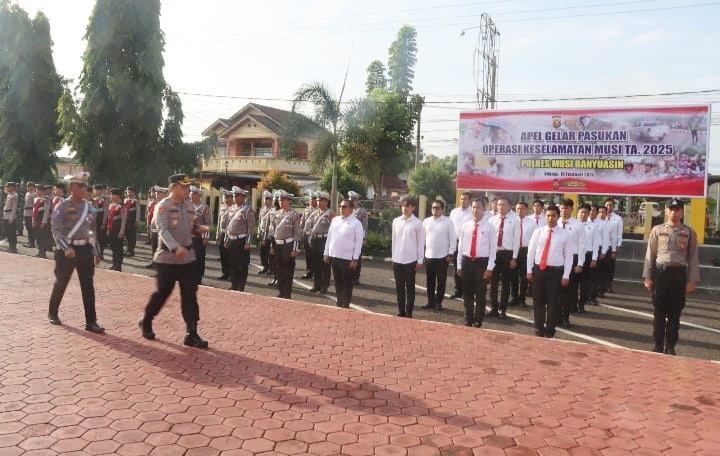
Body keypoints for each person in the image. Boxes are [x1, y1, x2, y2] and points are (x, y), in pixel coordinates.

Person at [139, 174, 211, 348]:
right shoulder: (163, 206)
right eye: (183, 187)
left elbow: (191, 226)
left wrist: (200, 229)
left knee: (190, 296)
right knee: (162, 294)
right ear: (173, 187)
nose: (187, 190)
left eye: (188, 187)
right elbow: (162, 230)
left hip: (187, 259)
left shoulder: (189, 206)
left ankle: (191, 333)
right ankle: (147, 320)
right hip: (167, 259)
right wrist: (174, 247)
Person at [47, 172, 104, 332]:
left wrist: (96, 251)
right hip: (67, 252)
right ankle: (53, 312)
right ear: (71, 187)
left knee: (88, 286)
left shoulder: (89, 207)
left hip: (85, 250)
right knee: (61, 282)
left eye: (85, 186)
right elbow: (56, 229)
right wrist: (66, 248)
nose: (84, 189)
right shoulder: (62, 206)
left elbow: (92, 230)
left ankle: (91, 322)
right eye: (80, 186)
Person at [643, 198, 700, 355]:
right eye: (671, 209)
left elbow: (693, 258)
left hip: (678, 276)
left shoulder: (689, 232)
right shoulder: (657, 230)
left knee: (675, 313)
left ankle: (671, 346)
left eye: (677, 210)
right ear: (666, 211)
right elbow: (650, 254)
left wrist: (691, 280)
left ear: (682, 212)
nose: (674, 212)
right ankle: (658, 344)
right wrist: (647, 277)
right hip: (660, 274)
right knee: (659, 312)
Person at [526, 205, 573, 338]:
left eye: (553, 215)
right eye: (548, 215)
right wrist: (529, 270)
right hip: (539, 270)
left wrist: (566, 275)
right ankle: (539, 328)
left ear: (558, 217)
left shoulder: (565, 234)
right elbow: (530, 253)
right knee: (538, 301)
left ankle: (550, 329)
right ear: (544, 216)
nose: (550, 218)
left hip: (556, 272)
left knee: (554, 302)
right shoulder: (538, 232)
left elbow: (569, 257)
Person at [456, 198, 496, 327]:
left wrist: (490, 267)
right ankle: (468, 317)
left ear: (484, 209)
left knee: (480, 292)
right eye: (473, 207)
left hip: (482, 263)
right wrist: (459, 264)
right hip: (467, 262)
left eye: (478, 207)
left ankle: (478, 319)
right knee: (467, 292)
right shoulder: (466, 225)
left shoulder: (489, 227)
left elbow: (493, 249)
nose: (475, 210)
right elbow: (461, 247)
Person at [324, 199, 363, 308]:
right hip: (334, 255)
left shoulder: (356, 223)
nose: (342, 208)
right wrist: (326, 253)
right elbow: (329, 237)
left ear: (351, 209)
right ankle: (339, 300)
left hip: (347, 258)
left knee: (347, 281)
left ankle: (346, 303)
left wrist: (355, 259)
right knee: (337, 280)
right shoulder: (335, 220)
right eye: (340, 206)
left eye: (344, 206)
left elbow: (358, 243)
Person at [391, 196, 425, 318]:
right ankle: (401, 311)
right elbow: (394, 241)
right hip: (397, 259)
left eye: (407, 206)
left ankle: (409, 312)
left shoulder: (417, 223)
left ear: (413, 208)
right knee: (399, 287)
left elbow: (421, 243)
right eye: (403, 206)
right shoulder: (396, 221)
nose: (405, 208)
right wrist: (393, 257)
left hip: (411, 260)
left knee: (410, 287)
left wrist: (420, 260)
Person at [488, 197, 520, 319]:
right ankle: (493, 308)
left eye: (503, 205)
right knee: (493, 283)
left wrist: (514, 258)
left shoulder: (514, 221)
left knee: (506, 283)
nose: (500, 207)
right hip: (494, 253)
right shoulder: (491, 220)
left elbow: (516, 241)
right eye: (499, 205)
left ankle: (503, 310)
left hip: (508, 254)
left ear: (509, 206)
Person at [422, 199, 456, 310]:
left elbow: (452, 239)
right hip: (429, 256)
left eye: (437, 208)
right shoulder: (426, 221)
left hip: (442, 257)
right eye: (433, 208)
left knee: (441, 282)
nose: (435, 210)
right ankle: (430, 302)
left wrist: (450, 253)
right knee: (430, 281)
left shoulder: (448, 222)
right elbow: (422, 239)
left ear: (442, 209)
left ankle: (438, 302)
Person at [557, 198, 585, 326]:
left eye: (566, 208)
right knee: (555, 289)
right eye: (561, 208)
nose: (563, 211)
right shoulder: (554, 222)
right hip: (556, 259)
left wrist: (580, 263)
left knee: (568, 290)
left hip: (571, 259)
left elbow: (581, 245)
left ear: (572, 209)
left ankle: (565, 316)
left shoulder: (578, 225)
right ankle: (555, 315)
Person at [271, 189, 301, 299]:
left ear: (289, 201)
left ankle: (287, 293)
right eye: (279, 200)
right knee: (278, 270)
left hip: (288, 245)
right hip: (278, 245)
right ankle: (281, 291)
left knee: (288, 271)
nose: (281, 202)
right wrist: (272, 246)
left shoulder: (294, 214)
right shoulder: (276, 213)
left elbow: (297, 233)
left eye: (283, 200)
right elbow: (273, 231)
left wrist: (295, 249)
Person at [225, 186, 255, 292]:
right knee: (232, 263)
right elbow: (228, 225)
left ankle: (241, 286)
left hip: (242, 240)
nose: (234, 198)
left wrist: (248, 242)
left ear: (242, 197)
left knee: (242, 265)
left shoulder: (247, 209)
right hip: (232, 240)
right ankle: (234, 284)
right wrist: (226, 239)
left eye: (236, 196)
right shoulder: (232, 208)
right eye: (234, 196)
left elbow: (251, 227)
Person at [511, 201, 536, 307]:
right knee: (513, 276)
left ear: (526, 210)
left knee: (524, 276)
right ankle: (514, 297)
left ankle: (522, 298)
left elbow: (534, 240)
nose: (519, 211)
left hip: (526, 250)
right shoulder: (511, 221)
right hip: (513, 251)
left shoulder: (532, 223)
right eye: (517, 209)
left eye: (522, 209)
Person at [577, 204, 600, 313]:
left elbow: (596, 244)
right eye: (582, 212)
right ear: (578, 212)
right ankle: (572, 304)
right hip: (574, 255)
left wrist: (594, 258)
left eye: (586, 212)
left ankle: (581, 304)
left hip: (587, 255)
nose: (584, 214)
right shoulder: (573, 225)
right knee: (572, 283)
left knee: (585, 282)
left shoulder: (593, 227)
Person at [449, 192, 473, 298]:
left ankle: (466, 291)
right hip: (454, 242)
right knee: (456, 267)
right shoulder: (454, 212)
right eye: (461, 199)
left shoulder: (473, 212)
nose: (463, 201)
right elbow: (449, 227)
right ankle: (458, 290)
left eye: (465, 199)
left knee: (466, 267)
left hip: (467, 243)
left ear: (470, 201)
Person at [309, 191, 333, 293]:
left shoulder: (330, 214)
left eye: (322, 201)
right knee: (315, 264)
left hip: (325, 240)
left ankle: (324, 286)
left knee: (325, 265)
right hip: (315, 240)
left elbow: (334, 229)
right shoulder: (314, 213)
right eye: (318, 200)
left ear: (326, 202)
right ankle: (316, 285)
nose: (319, 203)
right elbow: (309, 226)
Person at [190, 186, 211, 282]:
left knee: (199, 258)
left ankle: (199, 277)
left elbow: (207, 223)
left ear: (198, 195)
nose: (190, 196)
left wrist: (206, 237)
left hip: (199, 237)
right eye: (190, 194)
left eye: (193, 194)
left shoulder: (204, 207)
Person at [348, 191, 368, 285]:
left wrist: (364, 238)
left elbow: (364, 226)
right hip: (349, 238)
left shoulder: (362, 211)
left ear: (357, 201)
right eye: (351, 200)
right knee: (348, 257)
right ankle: (349, 276)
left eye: (354, 200)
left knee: (357, 258)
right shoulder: (348, 210)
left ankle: (356, 277)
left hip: (358, 238)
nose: (352, 202)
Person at [604, 198, 623, 293]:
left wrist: (617, 247)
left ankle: (609, 285)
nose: (609, 207)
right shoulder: (600, 217)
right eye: (607, 205)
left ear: (614, 206)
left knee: (610, 267)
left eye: (611, 205)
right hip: (601, 246)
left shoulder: (618, 219)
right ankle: (600, 286)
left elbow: (619, 234)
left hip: (611, 247)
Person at [215, 190, 235, 280]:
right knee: (223, 255)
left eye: (227, 197)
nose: (225, 199)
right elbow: (219, 221)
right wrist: (217, 233)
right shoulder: (222, 207)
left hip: (230, 234)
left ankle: (231, 274)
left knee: (230, 255)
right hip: (222, 233)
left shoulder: (235, 208)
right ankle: (225, 273)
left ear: (231, 198)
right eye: (224, 197)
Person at [106, 188, 127, 271]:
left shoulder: (121, 206)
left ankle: (118, 266)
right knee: (113, 247)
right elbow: (109, 218)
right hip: (111, 229)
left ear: (117, 196)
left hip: (118, 230)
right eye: (110, 194)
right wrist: (108, 230)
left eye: (112, 194)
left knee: (118, 248)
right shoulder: (111, 205)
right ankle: (114, 264)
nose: (111, 196)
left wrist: (122, 231)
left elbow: (124, 220)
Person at [300, 191, 318, 280]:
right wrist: (301, 232)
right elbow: (302, 222)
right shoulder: (306, 210)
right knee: (308, 255)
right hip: (307, 235)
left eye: (314, 199)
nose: (313, 201)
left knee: (315, 255)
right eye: (312, 199)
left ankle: (316, 273)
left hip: (314, 236)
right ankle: (309, 271)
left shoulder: (319, 210)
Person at [257, 190, 274, 275]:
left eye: (267, 199)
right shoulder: (262, 209)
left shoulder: (273, 210)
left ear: (271, 200)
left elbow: (270, 224)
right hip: (262, 232)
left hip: (269, 234)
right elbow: (259, 221)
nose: (265, 200)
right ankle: (265, 267)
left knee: (270, 252)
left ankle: (271, 268)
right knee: (262, 252)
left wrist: (265, 237)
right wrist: (258, 232)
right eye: (265, 198)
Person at [91, 184, 109, 256]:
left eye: (98, 190)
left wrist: (104, 223)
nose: (96, 191)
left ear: (101, 191)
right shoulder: (94, 200)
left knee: (101, 238)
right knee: (95, 237)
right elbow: (94, 210)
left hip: (101, 220)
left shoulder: (104, 200)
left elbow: (106, 212)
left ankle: (100, 253)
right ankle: (95, 252)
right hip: (95, 220)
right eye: (95, 190)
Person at [2, 182, 19, 253]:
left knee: (11, 233)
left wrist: (11, 218)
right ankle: (10, 247)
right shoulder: (9, 194)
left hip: (10, 216)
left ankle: (13, 248)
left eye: (8, 187)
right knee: (8, 232)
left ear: (12, 187)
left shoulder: (15, 195)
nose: (7, 188)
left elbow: (14, 208)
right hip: (6, 215)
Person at [123, 186, 138, 256]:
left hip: (132, 221)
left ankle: (131, 251)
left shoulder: (135, 201)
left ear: (133, 193)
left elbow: (138, 212)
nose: (128, 193)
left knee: (132, 236)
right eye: (127, 192)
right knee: (127, 236)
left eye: (130, 192)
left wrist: (136, 221)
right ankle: (128, 249)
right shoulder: (125, 200)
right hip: (125, 221)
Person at [22, 182, 37, 248]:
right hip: (26, 212)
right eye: (28, 186)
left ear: (33, 187)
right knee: (28, 228)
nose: (28, 187)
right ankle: (29, 241)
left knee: (31, 229)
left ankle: (32, 243)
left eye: (30, 186)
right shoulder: (27, 193)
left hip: (31, 213)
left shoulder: (35, 194)